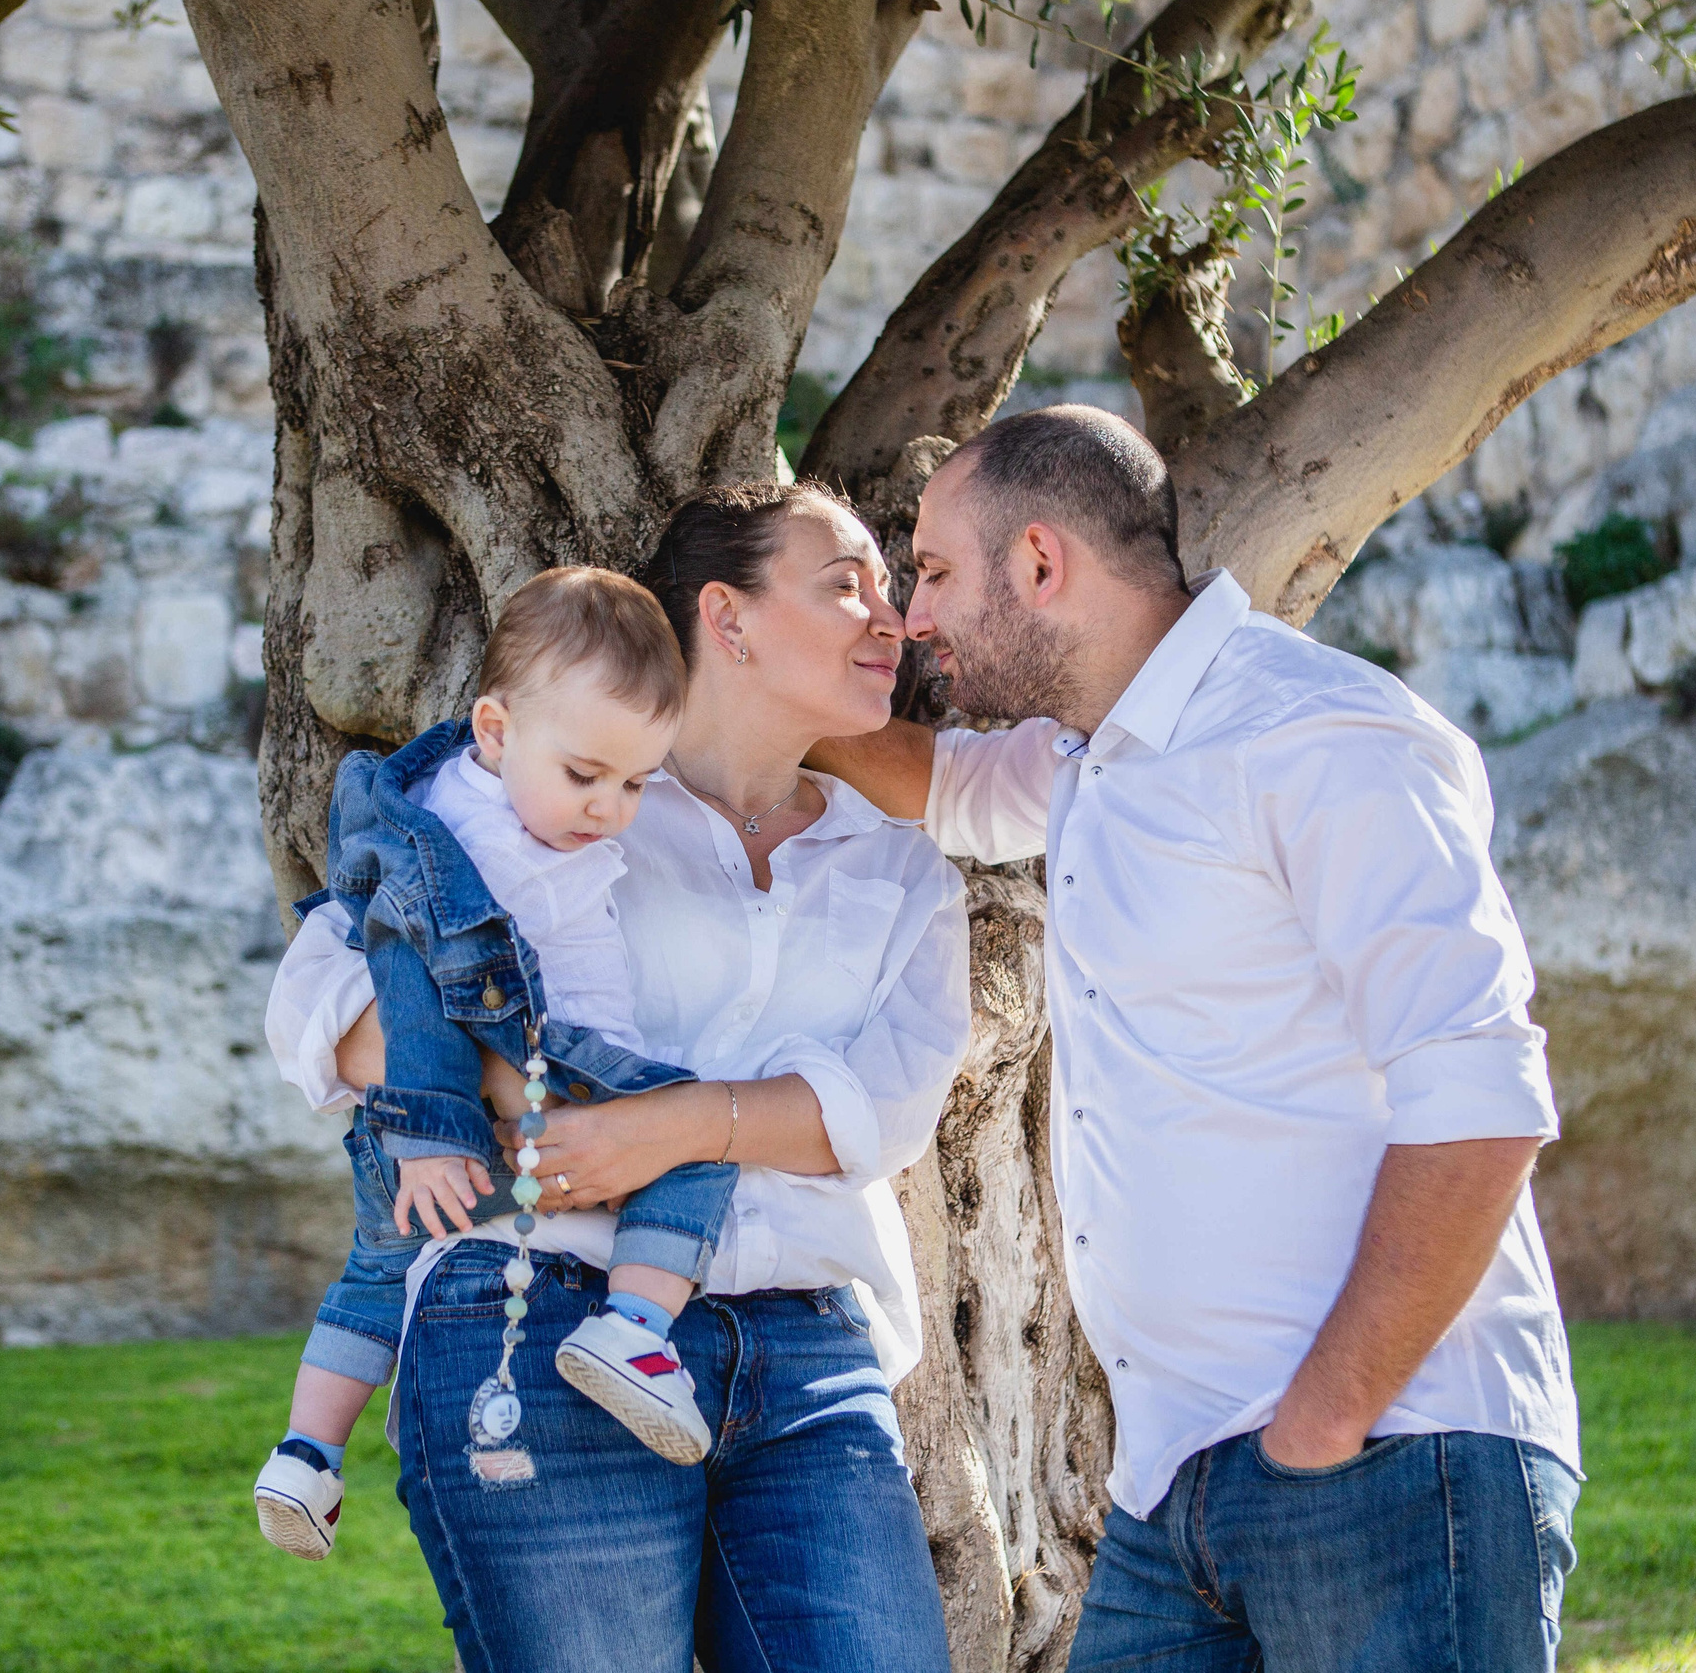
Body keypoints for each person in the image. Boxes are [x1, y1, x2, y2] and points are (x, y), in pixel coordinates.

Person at [808, 405, 1583, 1672]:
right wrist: (737, 682)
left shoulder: (1321, 735)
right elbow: (934, 784)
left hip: (1388, 1451)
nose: (916, 621)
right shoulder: (1088, 762)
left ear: (1042, 562)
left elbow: (1481, 1094)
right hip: (1173, 1491)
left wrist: (1323, 1425)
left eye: (936, 573)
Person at [265, 481, 969, 1672]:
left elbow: (882, 1116)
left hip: (808, 1354)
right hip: (534, 1311)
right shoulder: (573, 797)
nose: (890, 616)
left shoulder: (900, 868)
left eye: (891, 587)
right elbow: (321, 1003)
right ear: (727, 618)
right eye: (845, 583)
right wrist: (523, 1094)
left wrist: (670, 1129)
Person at [254, 567, 743, 1562]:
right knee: (701, 1132)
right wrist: (437, 1134)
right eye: (585, 774)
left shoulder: (457, 807)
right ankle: (635, 1327)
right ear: (492, 728)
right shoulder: (467, 855)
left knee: (373, 1275)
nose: (607, 808)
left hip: (413, 1131)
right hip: (487, 1098)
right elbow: (410, 990)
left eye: (635, 782)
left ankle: (306, 1454)